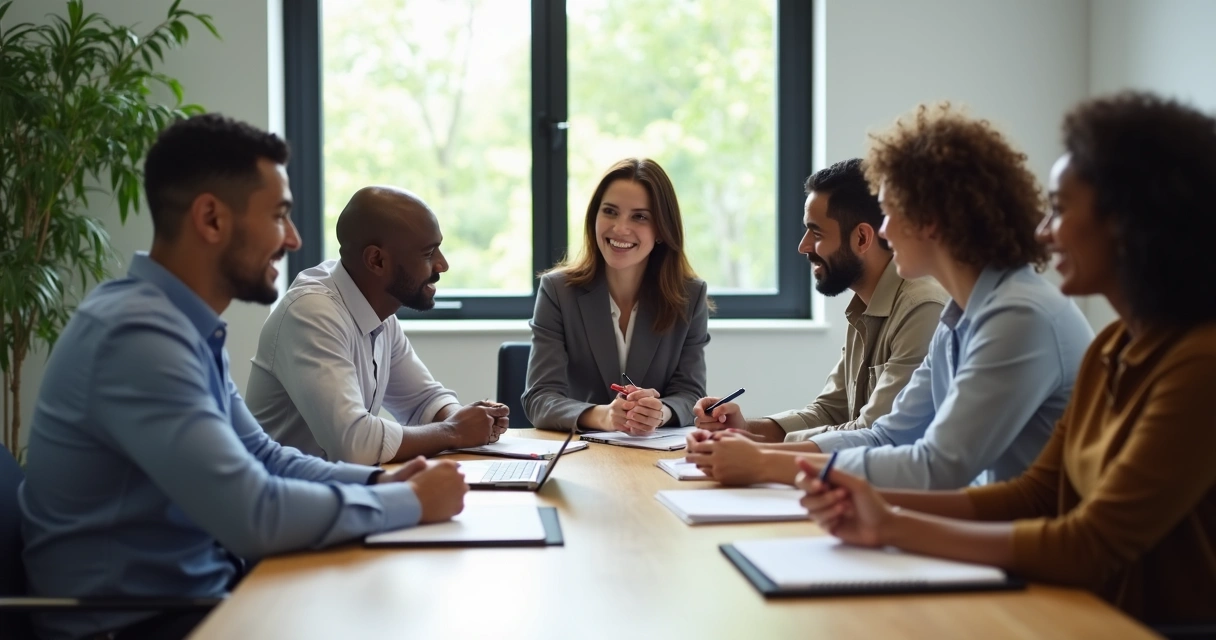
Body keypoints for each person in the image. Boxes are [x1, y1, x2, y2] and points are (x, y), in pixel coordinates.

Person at [18, 114, 468, 640]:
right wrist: (408, 501)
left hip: (207, 597)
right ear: (211, 219)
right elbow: (253, 513)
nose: (295, 239)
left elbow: (266, 456)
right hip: (141, 623)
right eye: (279, 216)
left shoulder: (176, 324)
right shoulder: (136, 337)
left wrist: (381, 481)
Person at [797, 92, 1216, 626]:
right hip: (1083, 604)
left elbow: (1089, 543)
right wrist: (870, 505)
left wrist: (891, 523)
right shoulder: (1112, 348)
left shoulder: (1200, 364)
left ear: (1130, 222)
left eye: (1061, 210)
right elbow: (1038, 492)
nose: (1044, 231)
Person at [696, 103, 1094, 490]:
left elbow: (939, 464)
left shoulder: (1017, 315)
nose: (883, 232)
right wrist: (755, 449)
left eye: (889, 212)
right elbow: (888, 434)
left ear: (931, 220)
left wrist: (767, 463)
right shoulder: (962, 313)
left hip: (1023, 544)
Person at [685, 159, 948, 484]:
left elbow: (874, 432)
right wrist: (745, 429)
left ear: (862, 239)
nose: (803, 246)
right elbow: (830, 411)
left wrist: (760, 453)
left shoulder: (922, 307)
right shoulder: (863, 306)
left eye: (816, 232)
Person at [246, 186, 509, 465]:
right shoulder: (311, 313)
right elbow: (354, 445)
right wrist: (454, 431)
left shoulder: (379, 314)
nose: (442, 265)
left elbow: (422, 401)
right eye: (428, 253)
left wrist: (466, 420)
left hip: (333, 493)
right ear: (377, 260)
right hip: (286, 502)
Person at [523, 158, 710, 433]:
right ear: (594, 217)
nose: (620, 228)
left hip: (652, 454)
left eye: (639, 216)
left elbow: (691, 394)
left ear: (661, 229)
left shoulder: (690, 296)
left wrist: (659, 413)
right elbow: (539, 399)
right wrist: (604, 416)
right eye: (610, 212)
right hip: (580, 455)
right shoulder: (558, 291)